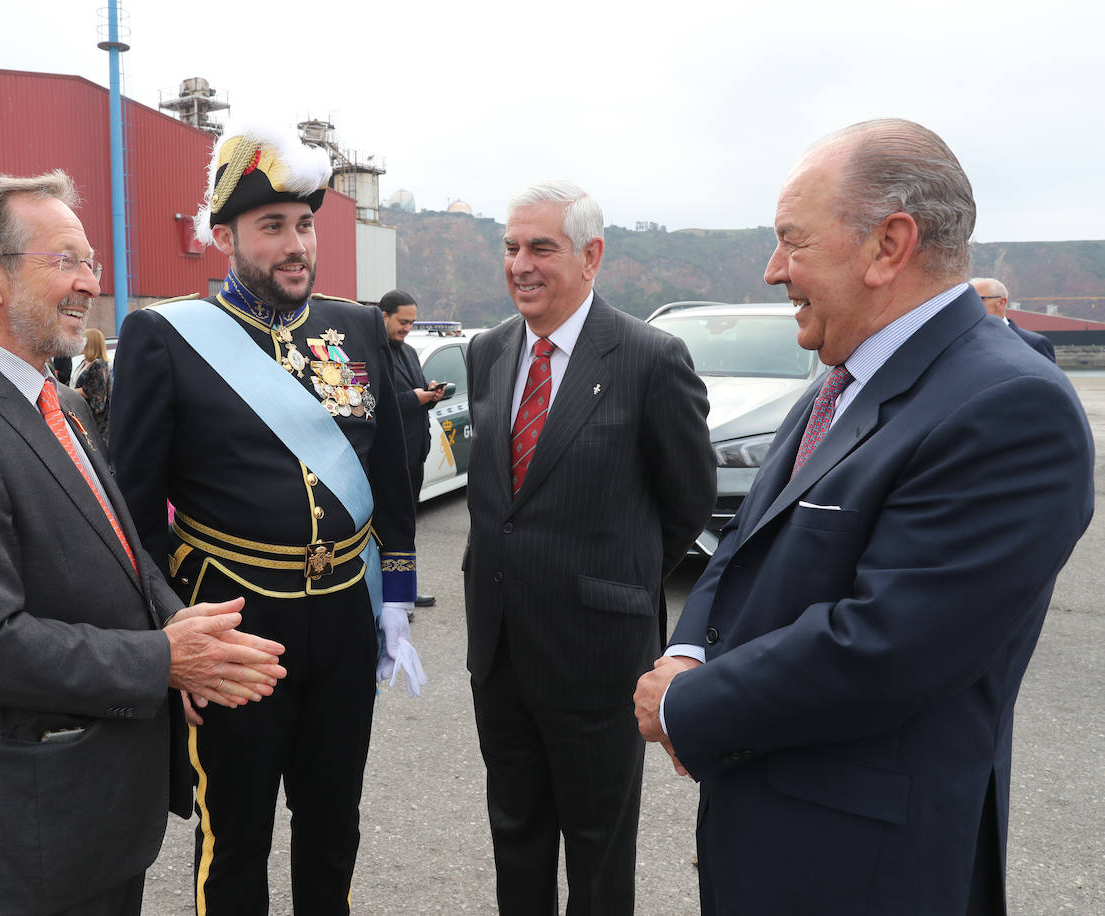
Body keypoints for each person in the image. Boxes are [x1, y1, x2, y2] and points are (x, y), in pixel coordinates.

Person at [633, 119, 1094, 915]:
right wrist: (686, 651)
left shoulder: (1010, 404)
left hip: (866, 867)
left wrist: (686, 705)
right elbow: (746, 540)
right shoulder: (839, 379)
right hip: (774, 826)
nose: (774, 270)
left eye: (792, 241)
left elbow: (888, 645)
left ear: (889, 246)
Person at [0, 170, 287, 915]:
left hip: (94, 810)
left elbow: (117, 546)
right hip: (30, 825)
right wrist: (163, 660)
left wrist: (174, 624)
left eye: (90, 261)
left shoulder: (57, 400)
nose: (90, 281)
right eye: (66, 260)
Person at [110, 121, 422, 915]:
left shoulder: (355, 327)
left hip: (345, 617)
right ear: (225, 237)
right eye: (272, 226)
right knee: (236, 836)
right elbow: (135, 511)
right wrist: (171, 639)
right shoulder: (166, 335)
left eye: (305, 224)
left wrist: (396, 593)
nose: (296, 245)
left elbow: (389, 472)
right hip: (235, 618)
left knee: (333, 824)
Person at [463, 180, 715, 914]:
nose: (521, 264)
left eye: (541, 247)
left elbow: (686, 503)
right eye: (510, 247)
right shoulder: (489, 351)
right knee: (516, 835)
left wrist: (615, 585)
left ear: (591, 254)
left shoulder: (649, 357)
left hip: (598, 655)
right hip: (500, 650)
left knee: (599, 852)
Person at [380, 288, 442, 608]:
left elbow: (414, 394)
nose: (407, 328)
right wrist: (413, 398)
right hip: (390, 457)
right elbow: (375, 403)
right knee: (390, 528)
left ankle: (405, 590)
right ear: (384, 316)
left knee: (408, 527)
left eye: (412, 323)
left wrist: (429, 394)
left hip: (415, 454)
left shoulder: (409, 352)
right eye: (403, 322)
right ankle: (389, 596)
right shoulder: (375, 352)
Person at [971, 276, 1056, 362]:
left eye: (978, 299)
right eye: (969, 300)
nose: (971, 305)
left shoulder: (1033, 343)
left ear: (1001, 303)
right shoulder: (962, 342)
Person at [73, 327, 111, 443]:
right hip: (80, 415)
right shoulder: (83, 362)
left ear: (90, 343)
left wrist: (72, 392)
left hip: (95, 423)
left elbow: (95, 393)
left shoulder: (99, 365)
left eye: (83, 339)